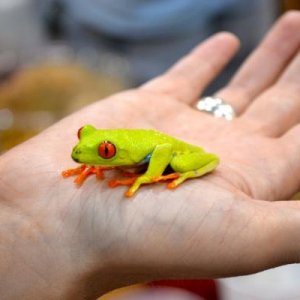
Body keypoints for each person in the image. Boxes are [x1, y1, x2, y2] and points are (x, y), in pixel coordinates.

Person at [0, 11, 299, 300]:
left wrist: (149, 176)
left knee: (178, 160)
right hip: (141, 144)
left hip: (174, 152)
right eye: (84, 137)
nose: (81, 150)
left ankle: (181, 170)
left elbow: (164, 149)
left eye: (104, 152)